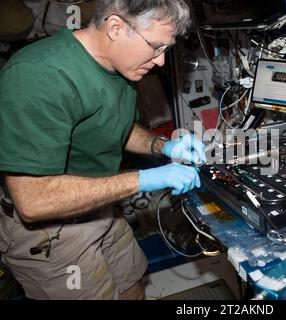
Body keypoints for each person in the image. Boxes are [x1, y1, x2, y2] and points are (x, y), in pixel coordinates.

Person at [0, 0, 205, 300]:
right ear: (115, 27)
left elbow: (116, 124)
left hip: (100, 208)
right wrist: (145, 180)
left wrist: (164, 146)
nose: (161, 61)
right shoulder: (39, 75)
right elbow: (34, 202)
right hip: (53, 234)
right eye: (156, 47)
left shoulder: (118, 64)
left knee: (133, 284)